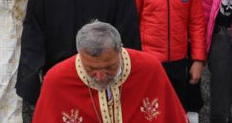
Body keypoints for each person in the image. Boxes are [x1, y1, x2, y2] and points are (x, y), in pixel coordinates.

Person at [32, 20, 186, 123]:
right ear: (80, 55)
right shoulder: (57, 80)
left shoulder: (149, 69)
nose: (100, 77)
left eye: (109, 67)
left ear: (120, 50)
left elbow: (173, 117)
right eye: (91, 69)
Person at [132, 0, 206, 121]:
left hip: (179, 63)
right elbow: (131, 26)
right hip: (150, 63)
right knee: (151, 113)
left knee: (176, 112)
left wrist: (198, 60)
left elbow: (197, 24)